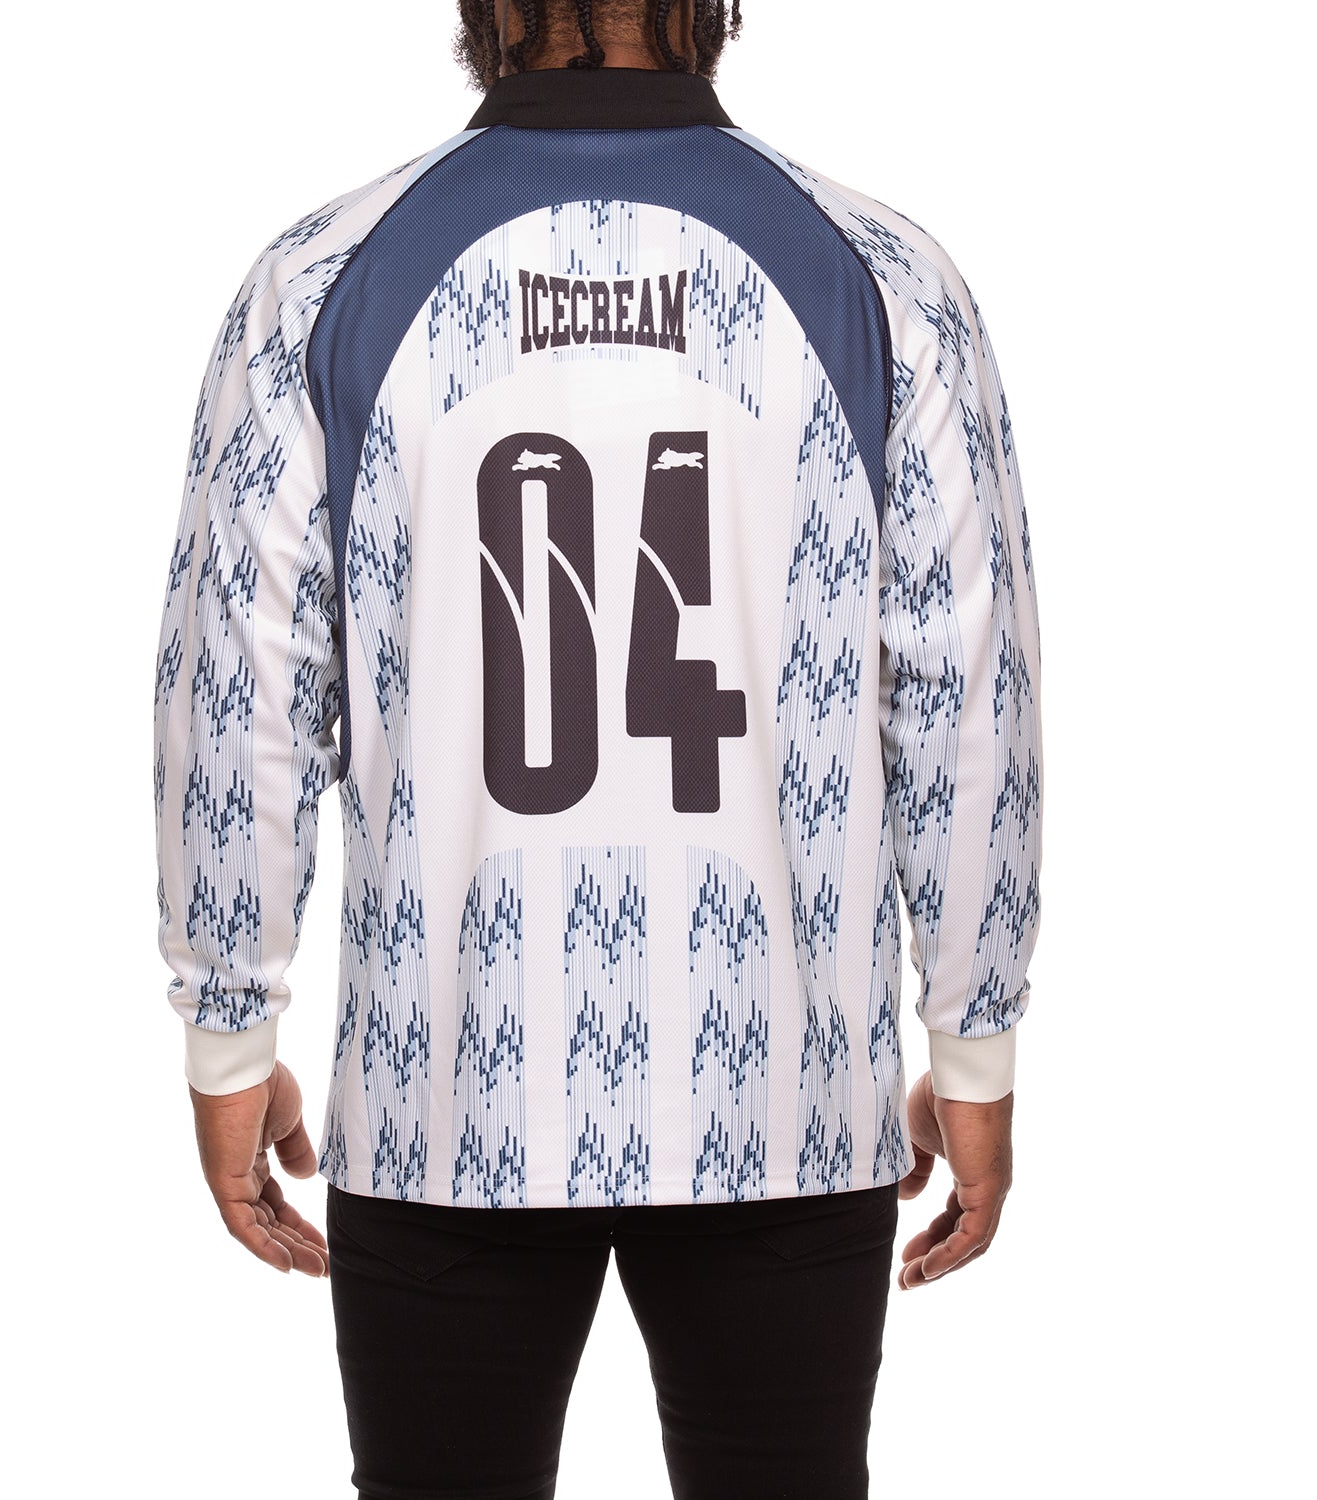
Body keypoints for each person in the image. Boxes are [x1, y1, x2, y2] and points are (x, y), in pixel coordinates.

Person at [151, 2, 1043, 1495]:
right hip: (781, 1090)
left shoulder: (319, 279)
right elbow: (968, 689)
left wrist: (231, 1030)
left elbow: (236, 691)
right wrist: (974, 1036)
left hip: (447, 1092)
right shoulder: (885, 278)